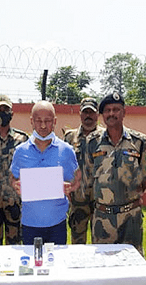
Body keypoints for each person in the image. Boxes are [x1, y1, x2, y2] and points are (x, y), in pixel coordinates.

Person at [84, 91, 146, 254]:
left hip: (131, 218)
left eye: (116, 109)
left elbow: (145, 177)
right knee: (103, 268)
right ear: (102, 115)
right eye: (107, 110)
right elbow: (89, 176)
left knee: (133, 268)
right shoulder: (92, 142)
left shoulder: (139, 141)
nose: (111, 113)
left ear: (124, 112)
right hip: (103, 218)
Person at [10, 100, 79, 245]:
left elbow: (77, 179)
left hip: (57, 223)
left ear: (54, 121)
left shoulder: (66, 151)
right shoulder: (20, 151)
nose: (42, 126)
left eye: (47, 121)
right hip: (30, 223)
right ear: (31, 121)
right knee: (32, 265)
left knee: (56, 264)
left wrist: (70, 187)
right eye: (38, 121)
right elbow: (12, 178)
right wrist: (16, 186)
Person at [0, 94, 29, 245]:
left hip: (14, 200)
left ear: (12, 113)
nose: (3, 112)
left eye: (6, 109)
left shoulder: (22, 139)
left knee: (14, 244)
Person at [63, 97, 104, 244]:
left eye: (91, 113)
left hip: (99, 202)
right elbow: (64, 165)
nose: (88, 116)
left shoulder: (105, 137)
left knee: (99, 245)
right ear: (80, 114)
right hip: (77, 201)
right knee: (77, 244)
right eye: (85, 112)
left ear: (97, 115)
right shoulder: (70, 137)